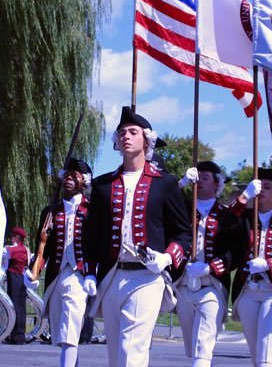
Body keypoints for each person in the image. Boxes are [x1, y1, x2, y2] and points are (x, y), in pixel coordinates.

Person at [82, 106, 192, 367]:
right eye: (121, 133)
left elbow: (183, 233)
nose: (126, 136)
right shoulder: (103, 185)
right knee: (116, 354)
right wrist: (88, 271)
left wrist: (166, 258)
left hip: (147, 277)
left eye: (133, 132)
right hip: (110, 276)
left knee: (131, 351)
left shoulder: (165, 183)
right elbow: (90, 234)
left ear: (147, 140)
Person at [228, 168, 272, 367]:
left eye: (267, 187)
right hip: (247, 291)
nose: (262, 191)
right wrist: (244, 196)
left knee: (267, 356)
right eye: (259, 186)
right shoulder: (245, 219)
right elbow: (224, 223)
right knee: (256, 355)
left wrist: (269, 264)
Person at [24, 157, 93, 366]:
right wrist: (34, 270)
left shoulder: (92, 210)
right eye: (67, 175)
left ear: (85, 182)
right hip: (56, 276)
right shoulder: (51, 211)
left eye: (75, 176)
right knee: (63, 334)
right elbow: (42, 246)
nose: (69, 179)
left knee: (70, 328)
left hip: (80, 276)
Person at [176, 161, 242, 367]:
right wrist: (180, 184)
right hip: (183, 286)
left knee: (203, 346)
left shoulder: (227, 216)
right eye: (197, 177)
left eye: (205, 178)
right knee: (193, 347)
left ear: (217, 184)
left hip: (211, 286)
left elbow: (236, 252)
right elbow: (158, 203)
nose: (199, 181)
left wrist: (211, 268)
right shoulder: (180, 210)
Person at [2, 227, 31, 345]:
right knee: (21, 306)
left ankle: (15, 334)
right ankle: (20, 334)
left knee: (12, 306)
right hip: (22, 277)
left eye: (12, 236)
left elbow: (3, 257)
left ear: (16, 237)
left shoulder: (10, 249)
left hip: (13, 277)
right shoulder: (26, 249)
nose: (11, 238)